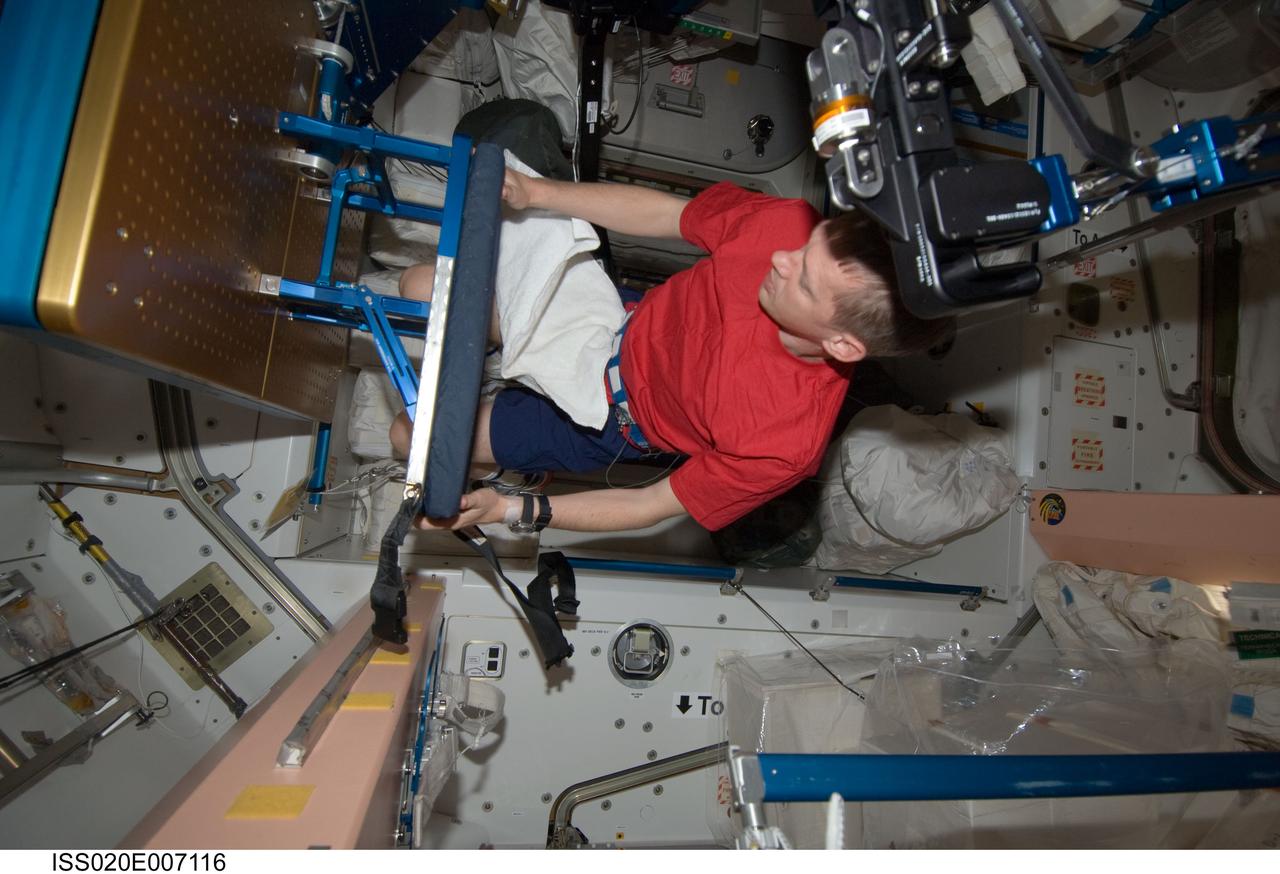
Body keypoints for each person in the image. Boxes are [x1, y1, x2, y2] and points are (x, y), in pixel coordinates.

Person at [389, 169, 954, 535]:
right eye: (807, 247)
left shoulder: (784, 445)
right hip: (610, 321)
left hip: (605, 418)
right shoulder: (786, 225)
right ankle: (503, 372)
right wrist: (537, 193)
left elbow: (650, 505)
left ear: (841, 344)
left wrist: (508, 510)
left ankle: (521, 467)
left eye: (804, 281)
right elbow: (668, 215)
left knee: (407, 437)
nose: (783, 259)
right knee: (417, 288)